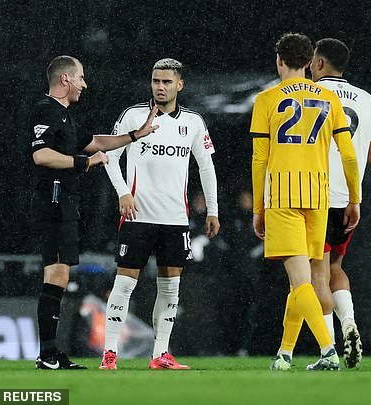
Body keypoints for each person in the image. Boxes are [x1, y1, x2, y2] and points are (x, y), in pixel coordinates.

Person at [31, 55, 159, 370]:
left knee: (58, 275)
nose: (84, 85)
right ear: (65, 79)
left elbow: (97, 142)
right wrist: (83, 162)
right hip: (54, 199)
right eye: (81, 78)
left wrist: (133, 136)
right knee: (57, 275)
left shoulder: (66, 116)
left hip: (64, 201)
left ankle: (50, 352)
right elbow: (41, 154)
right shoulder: (45, 110)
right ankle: (47, 353)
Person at [99, 58, 220, 370]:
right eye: (156, 81)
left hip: (175, 219)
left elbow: (206, 166)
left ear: (180, 85)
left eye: (167, 82)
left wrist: (213, 209)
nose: (160, 87)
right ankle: (110, 353)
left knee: (170, 288)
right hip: (138, 216)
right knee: (124, 284)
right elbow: (109, 156)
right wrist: (123, 192)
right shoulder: (133, 116)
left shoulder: (193, 122)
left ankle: (160, 355)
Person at [250, 33, 361, 371]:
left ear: (280, 61)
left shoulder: (267, 99)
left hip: (284, 198)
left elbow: (259, 159)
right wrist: (354, 199)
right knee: (300, 281)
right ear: (308, 61)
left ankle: (328, 351)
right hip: (320, 199)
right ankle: (285, 354)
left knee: (300, 283)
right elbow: (349, 154)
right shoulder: (329, 98)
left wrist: (258, 208)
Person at [307, 38, 371, 369]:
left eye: (311, 61)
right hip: (350, 198)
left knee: (316, 273)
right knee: (335, 267)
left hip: (314, 194)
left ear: (320, 63)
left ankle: (329, 351)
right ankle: (349, 323)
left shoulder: (313, 96)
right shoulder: (366, 99)